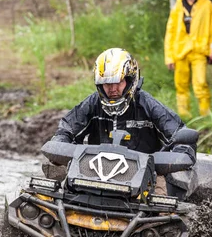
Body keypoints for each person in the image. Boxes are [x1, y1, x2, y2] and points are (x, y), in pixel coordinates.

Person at [51, 48, 196, 193]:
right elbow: (65, 130)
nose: (112, 89)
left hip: (145, 179)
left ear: (130, 80)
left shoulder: (149, 105)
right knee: (55, 197)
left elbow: (181, 136)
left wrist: (171, 160)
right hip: (93, 173)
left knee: (164, 207)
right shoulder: (92, 104)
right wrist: (60, 145)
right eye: (107, 83)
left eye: (117, 82)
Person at [164, 0, 212, 118]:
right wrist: (169, 57)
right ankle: (184, 116)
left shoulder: (207, 5)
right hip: (180, 51)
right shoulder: (177, 6)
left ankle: (205, 116)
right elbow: (170, 32)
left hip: (199, 51)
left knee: (200, 84)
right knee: (181, 86)